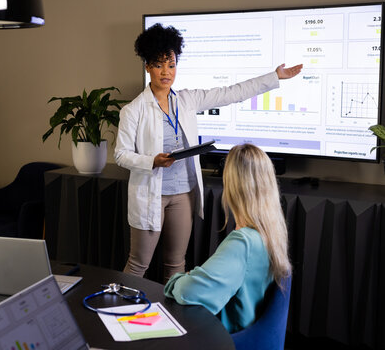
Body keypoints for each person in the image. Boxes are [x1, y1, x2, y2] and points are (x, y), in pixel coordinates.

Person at [114, 23, 301, 283]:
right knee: (138, 265)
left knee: (176, 264)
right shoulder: (133, 110)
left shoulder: (187, 100)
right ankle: (120, 316)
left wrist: (274, 77)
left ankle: (172, 321)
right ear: (147, 66)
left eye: (171, 64)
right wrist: (151, 161)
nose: (166, 72)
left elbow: (230, 93)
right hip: (150, 196)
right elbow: (121, 155)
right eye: (158, 65)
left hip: (182, 194)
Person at [164, 143, 291, 333]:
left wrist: (178, 279)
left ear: (232, 186)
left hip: (225, 339)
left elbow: (186, 292)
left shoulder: (243, 243)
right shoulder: (272, 232)